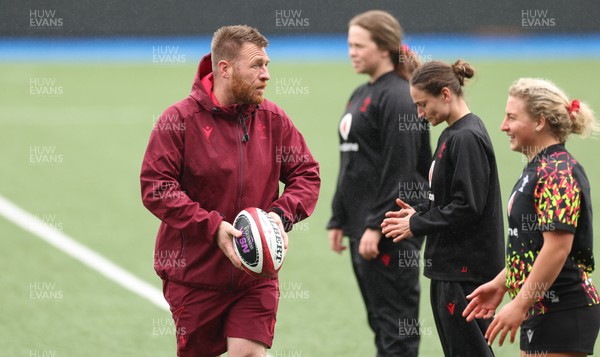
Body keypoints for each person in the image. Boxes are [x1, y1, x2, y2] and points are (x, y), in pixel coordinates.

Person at [140, 25, 320, 357]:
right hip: (194, 277)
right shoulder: (178, 120)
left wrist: (281, 216)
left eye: (267, 65)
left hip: (257, 274)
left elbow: (306, 173)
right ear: (224, 68)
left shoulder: (273, 119)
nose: (266, 75)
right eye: (256, 66)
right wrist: (213, 228)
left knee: (249, 353)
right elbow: (156, 187)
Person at [463, 78, 600, 356]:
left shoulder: (557, 171)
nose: (503, 126)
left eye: (512, 117)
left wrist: (519, 304)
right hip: (544, 307)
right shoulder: (539, 167)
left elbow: (557, 248)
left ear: (539, 122)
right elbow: (532, 244)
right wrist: (503, 283)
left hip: (563, 308)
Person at [381, 60, 505, 356]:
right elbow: (446, 200)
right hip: (450, 270)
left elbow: (467, 207)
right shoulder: (453, 133)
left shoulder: (466, 137)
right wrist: (418, 212)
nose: (420, 114)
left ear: (446, 94)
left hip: (464, 272)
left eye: (423, 104)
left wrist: (417, 225)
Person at [327, 10, 431, 356]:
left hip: (389, 233)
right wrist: (339, 217)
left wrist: (376, 226)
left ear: (384, 48)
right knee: (381, 324)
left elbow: (400, 169)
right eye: (349, 45)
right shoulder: (361, 93)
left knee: (397, 330)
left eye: (359, 45)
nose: (352, 52)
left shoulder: (400, 96)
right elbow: (352, 163)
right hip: (363, 229)